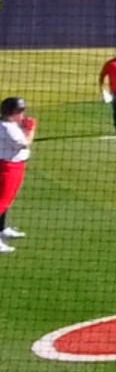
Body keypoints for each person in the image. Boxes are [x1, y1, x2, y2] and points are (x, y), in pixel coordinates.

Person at [0, 97, 35, 254]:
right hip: (9, 167)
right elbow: (25, 143)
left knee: (5, 201)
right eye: (21, 111)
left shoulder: (8, 125)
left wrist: (23, 126)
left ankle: (2, 229)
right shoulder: (9, 128)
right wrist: (31, 129)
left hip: (10, 165)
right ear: (14, 112)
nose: (23, 114)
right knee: (2, 202)